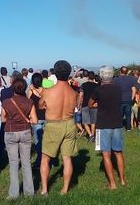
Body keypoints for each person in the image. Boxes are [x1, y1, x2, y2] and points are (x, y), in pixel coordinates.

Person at [39, 60, 77, 195]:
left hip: (53, 124)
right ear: (69, 73)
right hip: (69, 123)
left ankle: (44, 189)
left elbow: (40, 105)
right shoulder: (73, 92)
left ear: (55, 72)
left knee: (46, 158)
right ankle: (65, 189)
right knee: (67, 158)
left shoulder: (48, 91)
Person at [89, 66, 126, 190]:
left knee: (106, 153)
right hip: (117, 122)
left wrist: (97, 104)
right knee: (118, 152)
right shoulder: (118, 89)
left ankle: (112, 183)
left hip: (103, 123)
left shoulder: (98, 90)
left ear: (101, 76)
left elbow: (90, 104)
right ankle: (122, 180)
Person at [1, 77, 38, 199]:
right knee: (26, 162)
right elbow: (35, 120)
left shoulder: (6, 102)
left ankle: (13, 194)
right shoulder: (29, 102)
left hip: (11, 132)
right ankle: (29, 192)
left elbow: (3, 119)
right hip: (25, 132)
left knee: (13, 163)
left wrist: (13, 119)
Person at [27, 72, 45, 168]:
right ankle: (43, 158)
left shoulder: (31, 91)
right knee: (44, 140)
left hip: (36, 118)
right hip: (45, 117)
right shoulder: (45, 90)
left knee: (38, 140)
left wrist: (33, 90)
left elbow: (27, 103)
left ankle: (40, 159)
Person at [113, 66, 137, 131]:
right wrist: (132, 98)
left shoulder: (115, 79)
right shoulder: (131, 79)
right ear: (127, 72)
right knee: (128, 115)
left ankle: (119, 127)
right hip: (128, 99)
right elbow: (134, 90)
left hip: (119, 99)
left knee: (120, 115)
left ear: (120, 71)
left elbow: (114, 90)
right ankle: (128, 128)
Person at [78, 71, 98, 142]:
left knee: (85, 122)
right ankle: (93, 134)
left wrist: (78, 105)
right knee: (93, 121)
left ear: (88, 77)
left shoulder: (83, 85)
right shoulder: (97, 85)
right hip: (94, 105)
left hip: (85, 104)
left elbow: (80, 96)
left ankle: (90, 135)